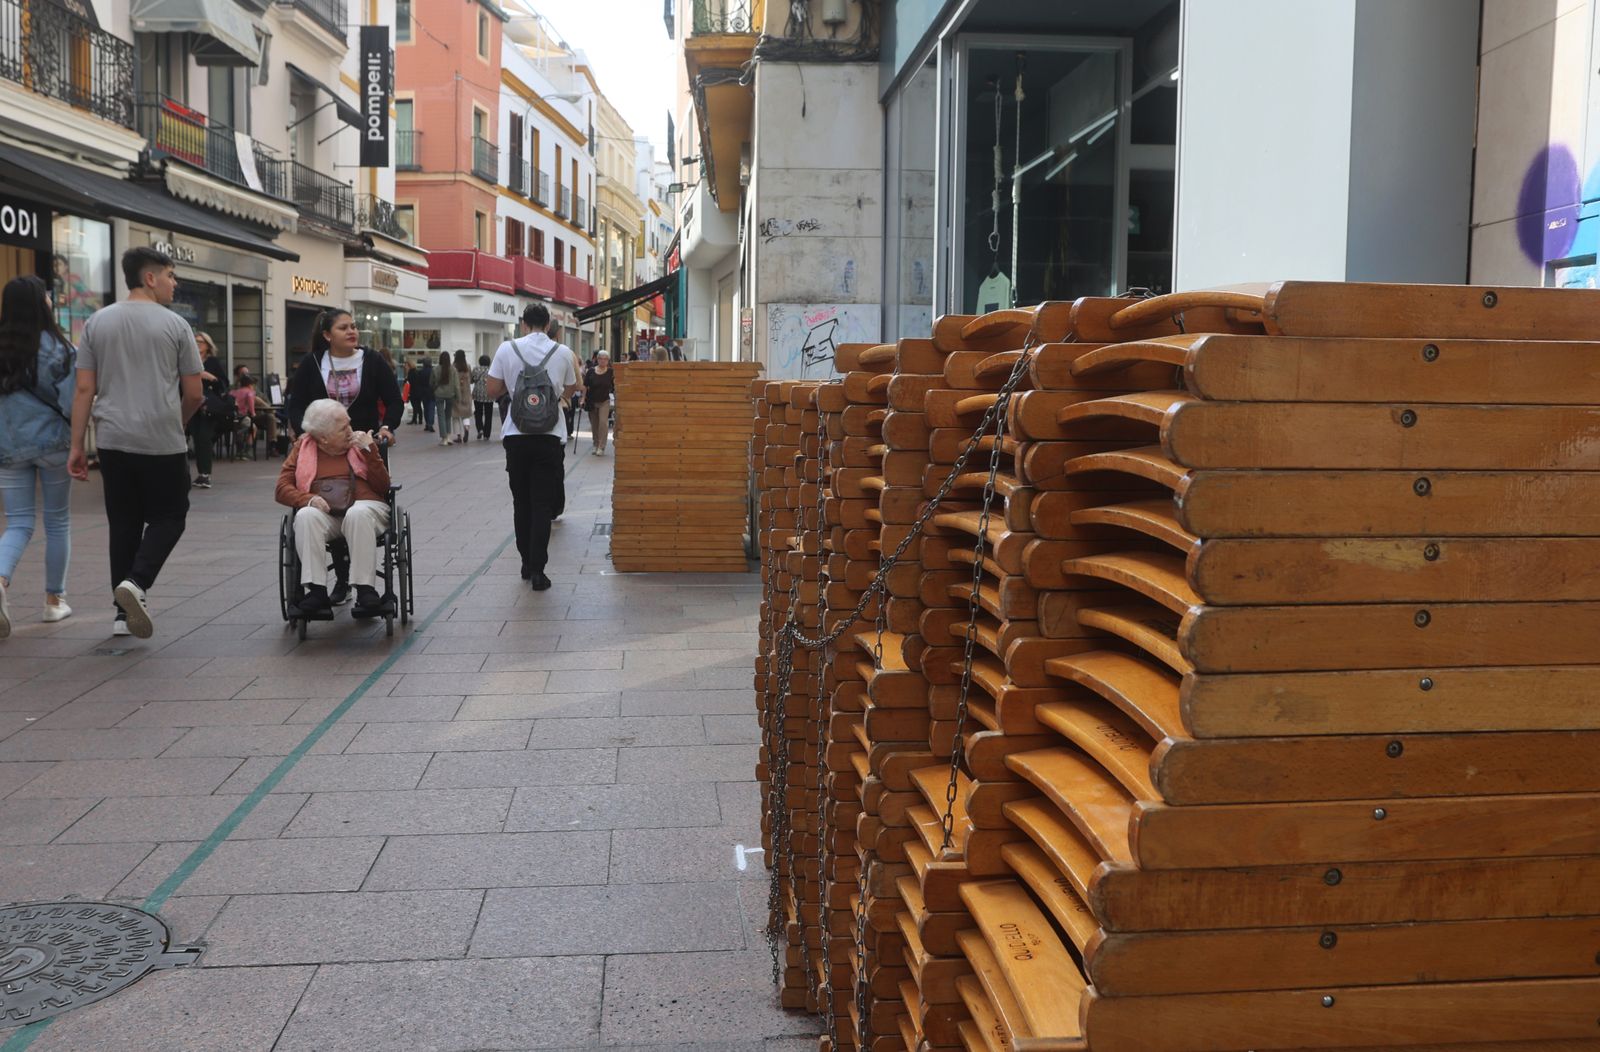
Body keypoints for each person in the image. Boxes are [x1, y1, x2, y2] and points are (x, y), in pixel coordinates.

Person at [67, 246, 203, 639]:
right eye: (170, 275)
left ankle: (121, 615)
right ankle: (137, 582)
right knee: (170, 515)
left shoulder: (95, 322)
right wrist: (176, 425)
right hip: (161, 437)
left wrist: (77, 445)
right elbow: (194, 394)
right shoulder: (176, 326)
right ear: (150, 278)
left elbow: (83, 388)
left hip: (112, 438)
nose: (174, 283)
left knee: (123, 522)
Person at [0, 275, 76, 636]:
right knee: (57, 521)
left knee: (18, 523)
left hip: (9, 447)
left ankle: (0, 581)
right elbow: (70, 400)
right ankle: (53, 601)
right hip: (53, 445)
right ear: (39, 303)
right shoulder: (59, 348)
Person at [485, 302, 578, 591]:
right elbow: (573, 388)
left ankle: (525, 561)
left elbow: (491, 390)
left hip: (516, 435)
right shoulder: (562, 352)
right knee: (542, 503)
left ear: (523, 323)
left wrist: (514, 389)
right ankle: (539, 569)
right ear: (549, 324)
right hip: (550, 436)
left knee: (521, 501)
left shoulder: (506, 349)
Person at [276, 399, 392, 619]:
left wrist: (369, 450)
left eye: (349, 424)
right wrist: (308, 499)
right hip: (328, 513)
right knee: (306, 515)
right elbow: (281, 488)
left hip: (366, 508)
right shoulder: (303, 448)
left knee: (358, 513)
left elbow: (383, 487)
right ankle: (317, 591)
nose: (351, 431)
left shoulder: (363, 444)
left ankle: (366, 590)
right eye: (343, 428)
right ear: (324, 438)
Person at [188, 332, 226, 489]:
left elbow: (223, 385)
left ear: (208, 346)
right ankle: (198, 473)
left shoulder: (213, 362)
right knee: (195, 439)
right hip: (191, 405)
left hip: (207, 406)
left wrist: (210, 377)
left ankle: (205, 474)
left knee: (204, 438)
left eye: (201, 342)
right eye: (195, 341)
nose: (197, 345)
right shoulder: (188, 360)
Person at [583, 349, 615, 456]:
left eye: (605, 359)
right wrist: (582, 398)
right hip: (592, 401)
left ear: (608, 360)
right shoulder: (591, 371)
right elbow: (585, 386)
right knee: (594, 425)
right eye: (601, 358)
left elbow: (614, 386)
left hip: (604, 401)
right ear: (597, 359)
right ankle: (595, 444)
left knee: (603, 423)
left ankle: (601, 446)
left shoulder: (611, 372)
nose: (603, 361)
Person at [433, 349, 458, 446]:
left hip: (439, 394)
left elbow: (432, 382)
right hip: (450, 395)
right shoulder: (453, 369)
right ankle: (448, 436)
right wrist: (458, 396)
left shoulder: (435, 369)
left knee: (441, 416)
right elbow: (456, 385)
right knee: (448, 416)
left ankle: (443, 438)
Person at [231, 375, 259, 457]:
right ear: (250, 384)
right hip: (242, 416)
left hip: (232, 417)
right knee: (253, 428)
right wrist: (253, 413)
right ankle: (247, 450)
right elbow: (251, 405)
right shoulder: (250, 392)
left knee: (238, 430)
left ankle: (239, 450)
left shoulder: (233, 392)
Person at [452, 349, 473, 444]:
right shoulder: (467, 367)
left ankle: (458, 436)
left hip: (456, 394)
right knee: (465, 415)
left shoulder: (453, 367)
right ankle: (466, 428)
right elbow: (471, 379)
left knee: (456, 416)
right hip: (466, 394)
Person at [470, 353, 494, 441]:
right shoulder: (492, 370)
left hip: (478, 394)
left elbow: (471, 381)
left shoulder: (476, 369)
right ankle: (487, 434)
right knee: (488, 414)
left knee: (478, 413)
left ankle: (480, 429)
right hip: (489, 394)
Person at [405, 356, 427, 425]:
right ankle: (419, 420)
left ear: (409, 365)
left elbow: (410, 383)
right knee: (418, 406)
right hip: (418, 392)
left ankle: (414, 420)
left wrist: (405, 380)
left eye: (406, 365)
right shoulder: (416, 371)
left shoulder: (411, 373)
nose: (405, 367)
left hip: (413, 392)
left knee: (415, 406)